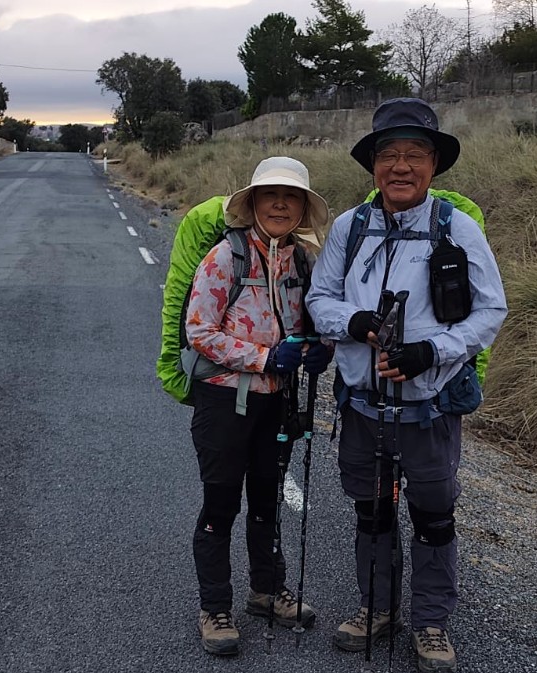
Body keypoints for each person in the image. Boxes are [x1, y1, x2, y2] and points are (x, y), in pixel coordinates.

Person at [306, 99, 508, 672]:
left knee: (434, 514)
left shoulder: (456, 227)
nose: (400, 166)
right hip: (363, 406)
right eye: (388, 154)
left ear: (433, 165)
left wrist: (430, 352)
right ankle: (378, 607)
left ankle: (431, 622)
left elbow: (491, 311)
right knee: (371, 512)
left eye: (414, 154)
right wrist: (355, 323)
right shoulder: (350, 227)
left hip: (430, 406)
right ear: (373, 165)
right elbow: (320, 299)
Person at [185, 156, 334, 656]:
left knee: (267, 502)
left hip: (277, 404)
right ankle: (214, 607)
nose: (279, 203)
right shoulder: (226, 258)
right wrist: (267, 356)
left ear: (301, 209)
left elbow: (312, 323)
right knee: (221, 503)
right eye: (269, 194)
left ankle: (267, 592)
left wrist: (318, 349)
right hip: (224, 401)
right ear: (251, 203)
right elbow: (199, 331)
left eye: (290, 197)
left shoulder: (304, 262)